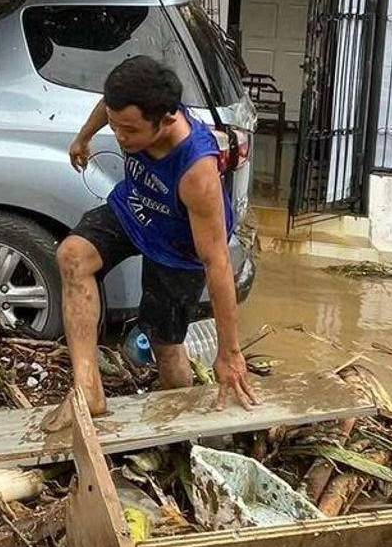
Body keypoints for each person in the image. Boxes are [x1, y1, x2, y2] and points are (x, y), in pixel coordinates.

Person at [58, 55, 257, 416]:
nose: (120, 136)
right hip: (136, 210)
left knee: (166, 347)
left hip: (179, 250)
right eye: (117, 127)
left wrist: (229, 352)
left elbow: (217, 262)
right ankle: (88, 391)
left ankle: (177, 423)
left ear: (166, 120)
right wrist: (82, 138)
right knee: (73, 255)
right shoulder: (134, 106)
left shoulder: (197, 172)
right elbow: (109, 106)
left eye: (130, 131)